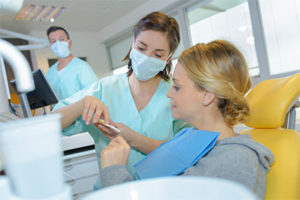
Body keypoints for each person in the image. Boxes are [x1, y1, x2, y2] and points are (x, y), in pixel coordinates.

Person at [99, 40, 274, 199]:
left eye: (177, 86)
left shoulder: (235, 161)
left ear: (207, 96)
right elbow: (166, 168)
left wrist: (113, 171)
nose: (169, 93)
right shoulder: (193, 137)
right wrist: (129, 138)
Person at [53, 12, 189, 189]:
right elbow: (49, 125)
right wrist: (82, 104)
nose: (147, 57)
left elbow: (184, 152)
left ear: (169, 57)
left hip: (160, 191)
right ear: (132, 43)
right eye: (141, 48)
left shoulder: (177, 94)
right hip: (112, 191)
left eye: (158, 54)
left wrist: (133, 139)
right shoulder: (104, 89)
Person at [46, 26, 98, 100]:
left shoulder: (82, 67)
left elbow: (96, 94)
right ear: (51, 46)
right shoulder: (50, 73)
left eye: (61, 39)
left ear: (69, 43)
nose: (58, 44)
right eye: (54, 41)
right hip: (59, 111)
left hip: (81, 111)